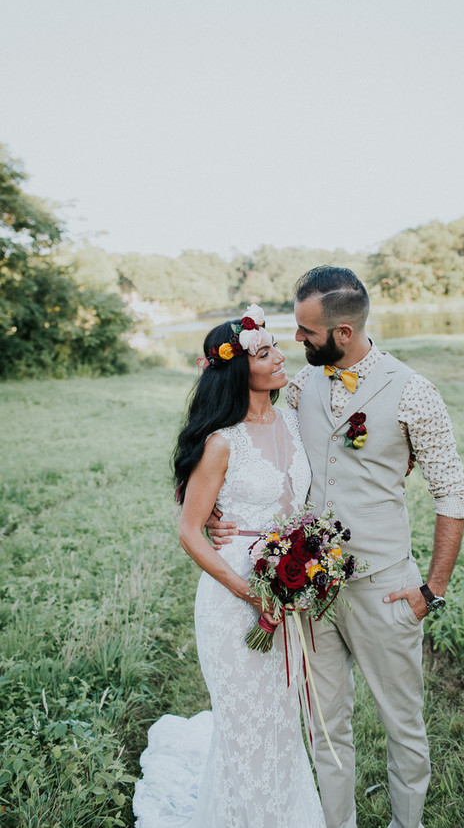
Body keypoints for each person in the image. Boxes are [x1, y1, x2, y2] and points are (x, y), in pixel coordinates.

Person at [209, 268, 464, 828]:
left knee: (404, 725)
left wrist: (433, 590)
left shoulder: (415, 392)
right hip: (310, 593)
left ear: (344, 332)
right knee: (325, 727)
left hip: (386, 588)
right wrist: (210, 508)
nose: (296, 340)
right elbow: (231, 429)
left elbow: (452, 495)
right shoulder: (299, 385)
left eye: (306, 331)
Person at [133, 305, 326, 828]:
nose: (279, 356)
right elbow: (190, 531)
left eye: (274, 347)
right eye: (264, 353)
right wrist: (250, 591)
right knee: (246, 725)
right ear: (241, 370)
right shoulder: (222, 442)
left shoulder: (293, 419)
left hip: (289, 583)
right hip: (234, 593)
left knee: (284, 721)